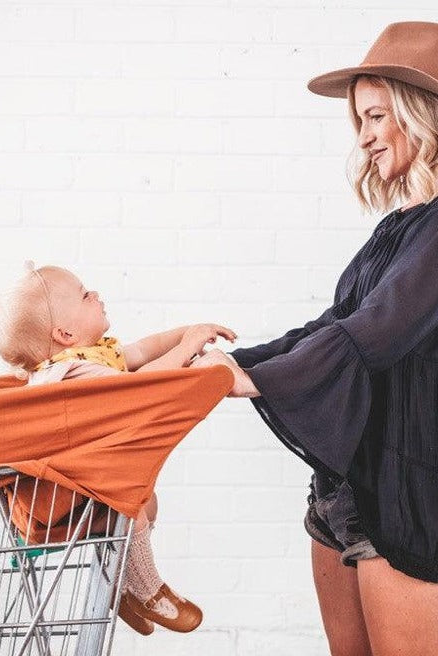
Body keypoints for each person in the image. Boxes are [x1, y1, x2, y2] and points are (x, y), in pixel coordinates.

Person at [212, 21, 438, 656]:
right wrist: (225, 365)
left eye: (375, 116)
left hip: (409, 501)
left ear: (421, 116)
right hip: (347, 491)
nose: (363, 137)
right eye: (357, 120)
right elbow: (331, 326)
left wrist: (248, 379)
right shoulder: (401, 227)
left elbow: (376, 333)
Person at [0, 262, 236, 636]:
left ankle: (123, 587)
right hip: (67, 493)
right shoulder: (70, 374)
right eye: (84, 294)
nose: (96, 294)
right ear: (65, 332)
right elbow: (140, 384)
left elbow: (143, 350)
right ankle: (150, 591)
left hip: (87, 484)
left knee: (145, 504)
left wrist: (186, 333)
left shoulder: (93, 357)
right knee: (133, 506)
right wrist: (188, 348)